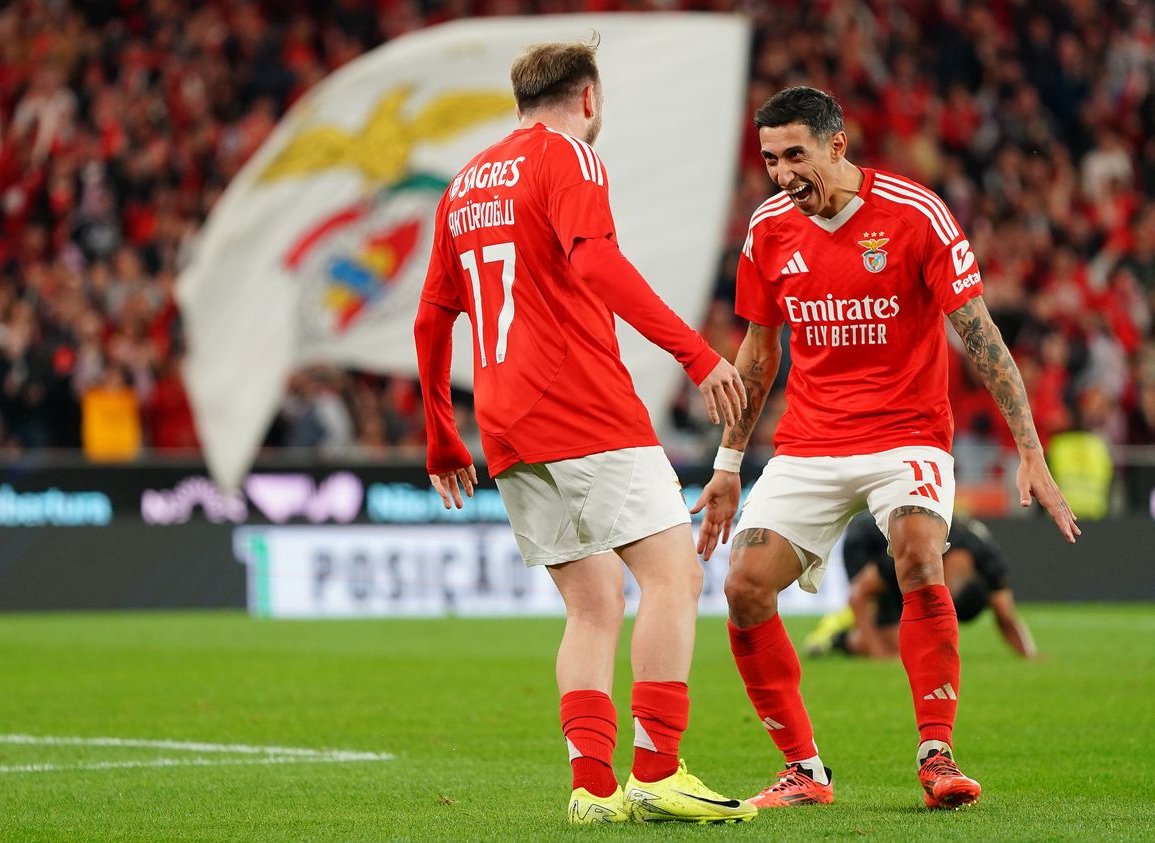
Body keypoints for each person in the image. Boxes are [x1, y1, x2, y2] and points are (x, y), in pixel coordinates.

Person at [691, 86, 1079, 811]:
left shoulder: (914, 213)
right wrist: (725, 464)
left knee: (917, 551)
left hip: (906, 432)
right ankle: (804, 769)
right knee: (743, 585)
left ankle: (937, 754)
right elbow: (758, 353)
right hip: (810, 439)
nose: (781, 173)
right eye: (771, 158)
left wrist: (1030, 449)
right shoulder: (769, 228)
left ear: (838, 145)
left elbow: (981, 335)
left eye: (795, 155)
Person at [413, 39, 757, 825]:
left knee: (594, 600)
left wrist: (441, 432)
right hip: (582, 404)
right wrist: (698, 355)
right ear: (588, 100)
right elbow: (596, 261)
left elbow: (434, 317)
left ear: (518, 100)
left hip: (506, 423)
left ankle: (593, 788)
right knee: (675, 574)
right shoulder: (571, 156)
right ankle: (659, 770)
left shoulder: (463, 186)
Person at [803, 512, 1038, 660]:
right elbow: (858, 595)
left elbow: (1004, 613)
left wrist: (1029, 655)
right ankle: (833, 636)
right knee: (892, 644)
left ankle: (860, 630)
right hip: (868, 539)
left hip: (904, 542)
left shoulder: (990, 563)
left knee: (905, 647)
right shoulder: (919, 551)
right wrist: (878, 655)